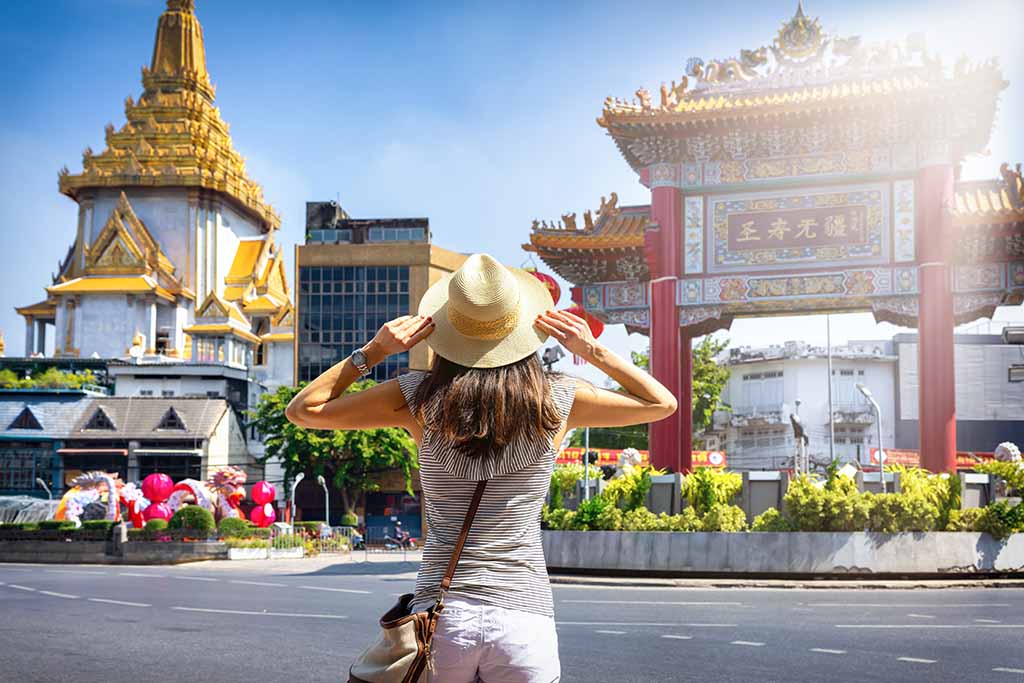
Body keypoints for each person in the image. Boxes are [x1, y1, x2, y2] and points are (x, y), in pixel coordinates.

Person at [286, 254, 676, 683]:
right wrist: (591, 350)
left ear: (447, 331)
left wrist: (376, 350)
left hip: (442, 618)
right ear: (525, 330)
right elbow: (661, 404)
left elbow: (304, 411)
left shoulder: (415, 396)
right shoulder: (561, 399)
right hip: (524, 619)